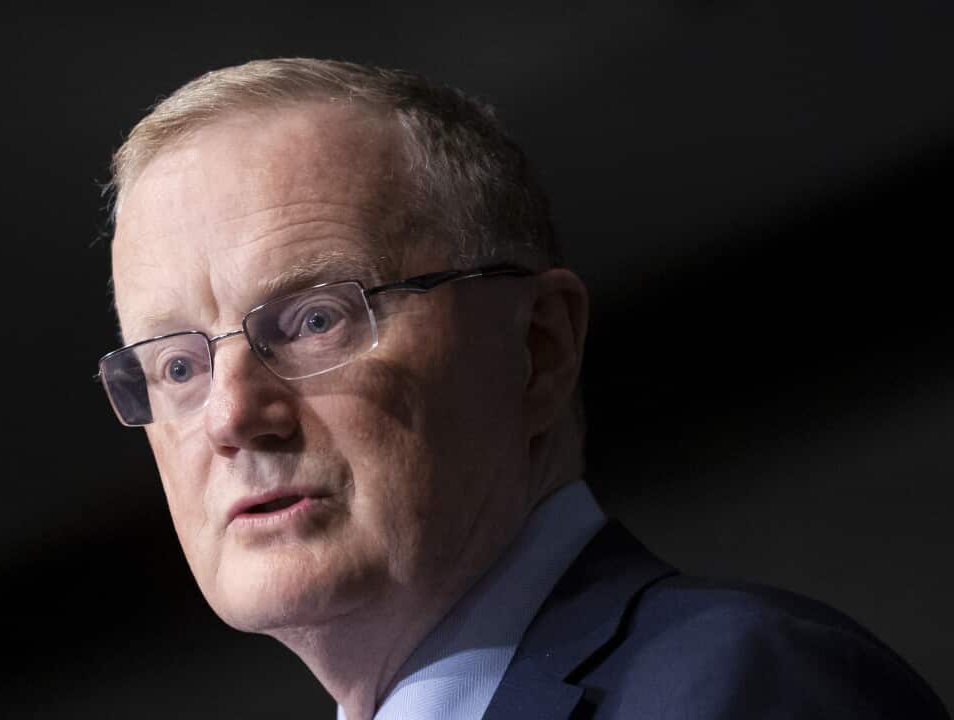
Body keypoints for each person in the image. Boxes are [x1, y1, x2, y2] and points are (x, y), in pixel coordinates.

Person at [95, 58, 948, 720]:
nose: (233, 416)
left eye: (316, 320)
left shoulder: (742, 689)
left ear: (538, 348)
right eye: (177, 366)